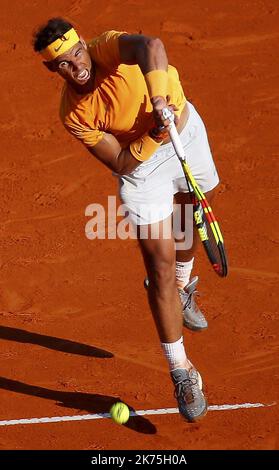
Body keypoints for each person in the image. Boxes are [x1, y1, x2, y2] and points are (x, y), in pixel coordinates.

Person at [33, 18, 219, 422]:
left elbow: (151, 46)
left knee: (188, 221)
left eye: (75, 53)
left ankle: (183, 288)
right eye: (61, 64)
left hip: (183, 131)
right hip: (141, 168)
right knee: (160, 265)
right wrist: (153, 134)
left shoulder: (108, 47)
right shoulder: (74, 114)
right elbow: (118, 159)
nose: (75, 66)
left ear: (84, 43)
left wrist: (158, 102)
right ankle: (181, 370)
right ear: (53, 71)